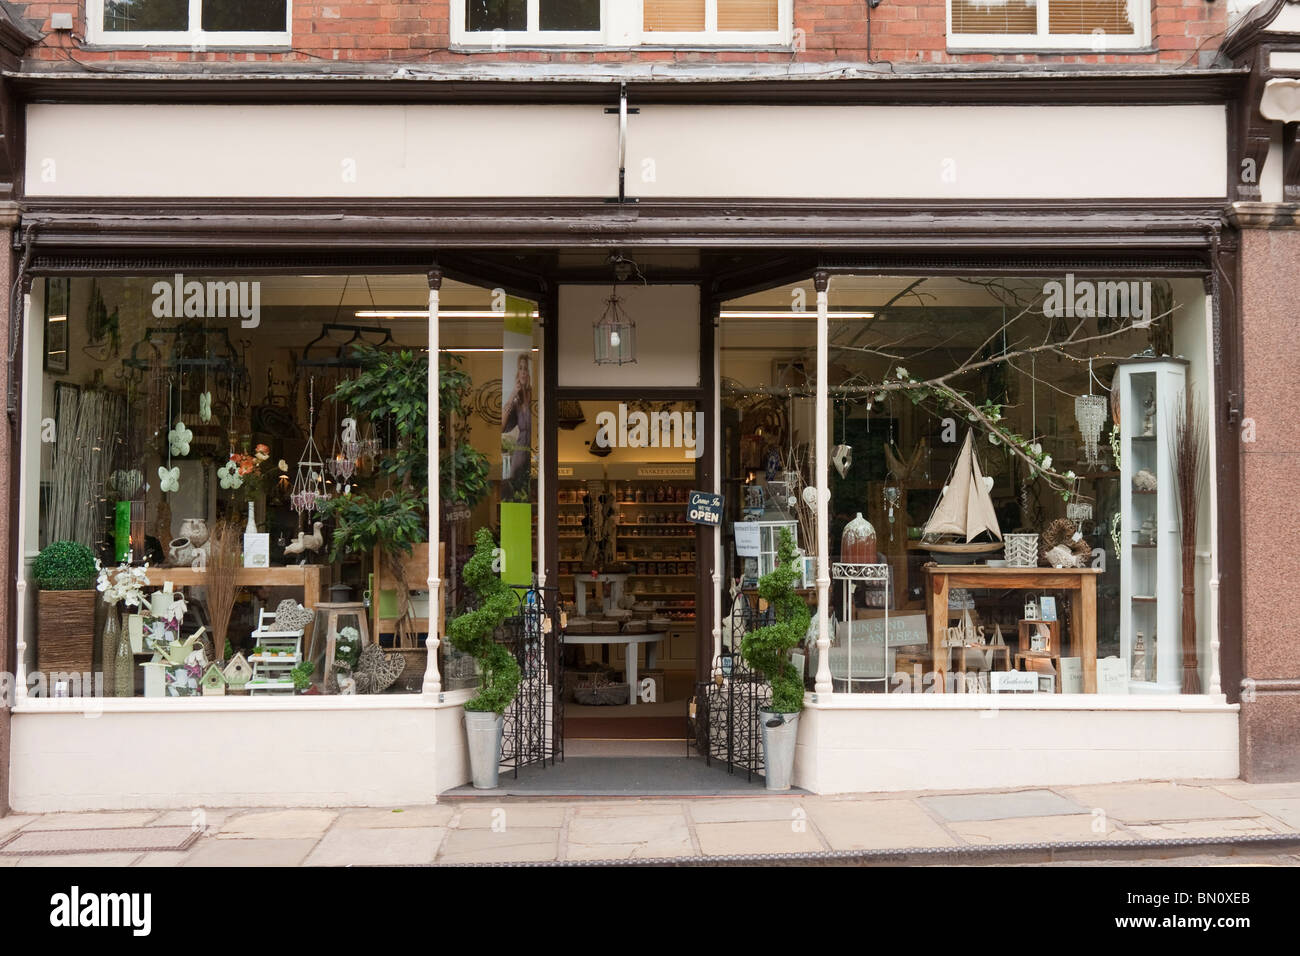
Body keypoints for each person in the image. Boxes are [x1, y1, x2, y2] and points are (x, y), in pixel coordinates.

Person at [501, 353, 532, 500]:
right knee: (514, 491)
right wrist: (513, 393)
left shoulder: (535, 396)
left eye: (526, 369)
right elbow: (502, 426)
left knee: (526, 492)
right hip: (520, 452)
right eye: (521, 368)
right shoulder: (517, 400)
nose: (524, 372)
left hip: (532, 453)